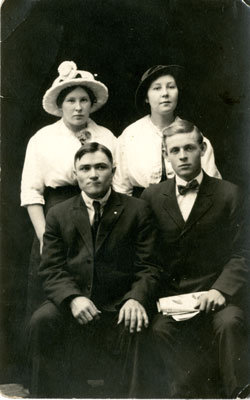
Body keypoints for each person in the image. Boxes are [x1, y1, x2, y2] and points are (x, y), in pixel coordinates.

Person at [26, 142, 160, 398]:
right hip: (74, 300)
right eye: (85, 168)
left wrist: (135, 298)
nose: (93, 174)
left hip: (120, 303)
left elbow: (150, 265)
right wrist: (73, 298)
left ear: (113, 171)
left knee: (140, 323)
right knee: (41, 321)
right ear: (75, 175)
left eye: (101, 167)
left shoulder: (137, 210)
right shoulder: (58, 214)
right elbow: (51, 268)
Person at [141, 119, 249, 398]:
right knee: (159, 330)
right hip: (173, 300)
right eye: (175, 150)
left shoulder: (229, 194)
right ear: (166, 155)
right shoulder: (152, 197)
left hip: (218, 295)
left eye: (189, 148)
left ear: (202, 149)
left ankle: (240, 394)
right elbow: (147, 256)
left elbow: (242, 252)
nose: (183, 156)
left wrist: (220, 290)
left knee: (230, 324)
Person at [21, 61, 117, 316]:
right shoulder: (42, 139)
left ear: (91, 103)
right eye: (71, 100)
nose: (77, 107)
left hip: (99, 217)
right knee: (53, 299)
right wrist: (45, 237)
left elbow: (118, 186)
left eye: (83, 100)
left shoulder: (107, 137)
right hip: (56, 219)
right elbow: (31, 193)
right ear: (60, 105)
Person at [113, 64, 221, 197]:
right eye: (157, 88)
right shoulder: (130, 136)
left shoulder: (192, 134)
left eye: (171, 87)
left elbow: (212, 186)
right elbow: (121, 188)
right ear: (146, 97)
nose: (165, 93)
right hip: (141, 209)